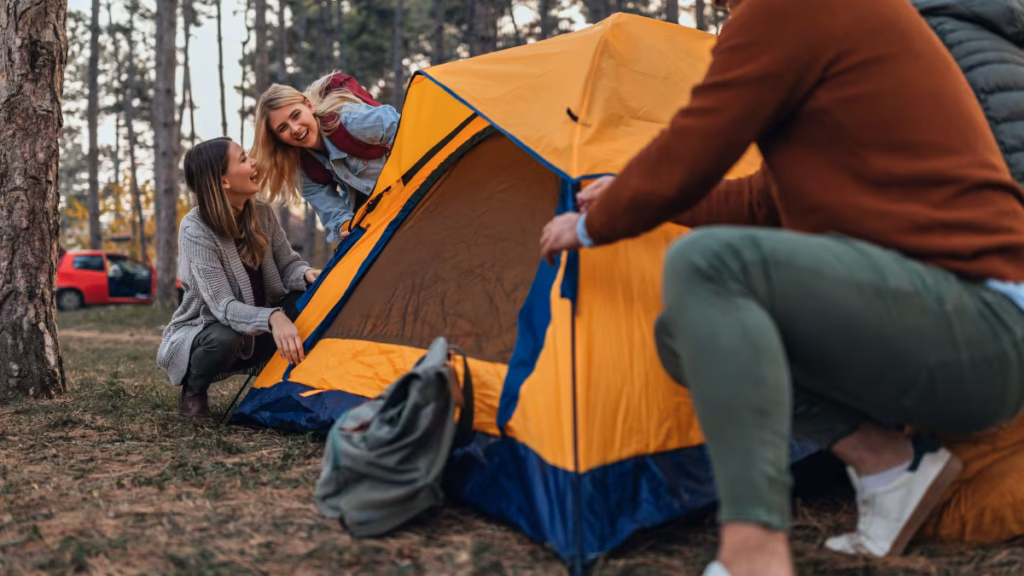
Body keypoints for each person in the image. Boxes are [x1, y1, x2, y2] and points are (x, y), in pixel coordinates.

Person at [538, 0, 1024, 575]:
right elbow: (761, 199)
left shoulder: (791, 7)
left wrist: (596, 224)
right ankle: (890, 468)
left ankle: (754, 552)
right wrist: (627, 191)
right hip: (934, 322)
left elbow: (697, 142)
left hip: (982, 323)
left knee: (708, 265)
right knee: (682, 334)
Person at [157, 137, 321, 420]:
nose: (254, 162)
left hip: (261, 331)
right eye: (244, 159)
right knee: (225, 337)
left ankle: (295, 383)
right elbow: (223, 307)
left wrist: (308, 275)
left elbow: (288, 266)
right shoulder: (195, 229)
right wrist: (275, 317)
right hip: (211, 329)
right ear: (224, 182)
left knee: (314, 299)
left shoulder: (263, 214)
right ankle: (194, 390)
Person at [251, 72, 400, 244]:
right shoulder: (305, 168)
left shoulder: (348, 121)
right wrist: (346, 227)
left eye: (296, 115)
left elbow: (403, 127)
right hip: (377, 210)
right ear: (278, 138)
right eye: (283, 128)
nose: (295, 129)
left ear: (309, 106)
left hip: (407, 183)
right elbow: (333, 213)